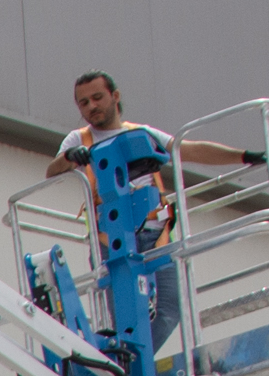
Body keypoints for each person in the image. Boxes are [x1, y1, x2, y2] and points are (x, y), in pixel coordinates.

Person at [44, 71, 256, 247]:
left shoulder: (141, 134)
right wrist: (70, 157)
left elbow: (190, 151)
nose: (91, 106)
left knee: (168, 288)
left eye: (97, 98)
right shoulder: (79, 139)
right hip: (111, 239)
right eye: (84, 103)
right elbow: (52, 172)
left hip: (156, 234)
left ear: (115, 96)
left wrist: (244, 156)